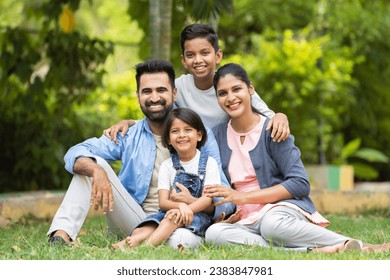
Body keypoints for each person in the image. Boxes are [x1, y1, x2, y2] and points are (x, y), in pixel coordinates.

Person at [47, 59, 234, 249]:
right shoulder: (128, 135)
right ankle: (60, 237)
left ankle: (146, 243)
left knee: (181, 241)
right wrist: (96, 171)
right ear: (137, 96)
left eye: (161, 90)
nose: (154, 98)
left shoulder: (198, 134)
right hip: (134, 218)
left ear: (174, 93)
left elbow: (222, 195)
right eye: (146, 91)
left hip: (182, 218)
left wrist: (194, 204)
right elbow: (74, 153)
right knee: (92, 163)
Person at [204, 63, 390, 253]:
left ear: (250, 89)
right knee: (214, 233)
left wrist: (243, 197)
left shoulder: (274, 129)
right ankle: (316, 251)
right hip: (246, 218)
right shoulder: (217, 135)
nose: (231, 98)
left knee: (271, 225)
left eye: (237, 89)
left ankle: (362, 245)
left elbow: (300, 183)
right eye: (223, 93)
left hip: (279, 211)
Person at [103, 23, 290, 145]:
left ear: (218, 56)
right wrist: (128, 122)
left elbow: (268, 115)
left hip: (227, 153)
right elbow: (159, 120)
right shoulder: (178, 88)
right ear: (183, 60)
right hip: (191, 155)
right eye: (191, 55)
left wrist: (281, 116)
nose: (198, 60)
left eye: (204, 53)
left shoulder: (229, 87)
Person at [112, 108, 218, 250]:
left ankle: (144, 249)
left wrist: (186, 209)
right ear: (168, 139)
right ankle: (132, 241)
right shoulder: (167, 165)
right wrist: (180, 206)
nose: (181, 135)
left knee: (171, 219)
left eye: (188, 130)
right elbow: (163, 202)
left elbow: (207, 200)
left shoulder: (209, 163)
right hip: (171, 211)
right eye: (175, 131)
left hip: (196, 215)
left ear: (199, 135)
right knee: (147, 226)